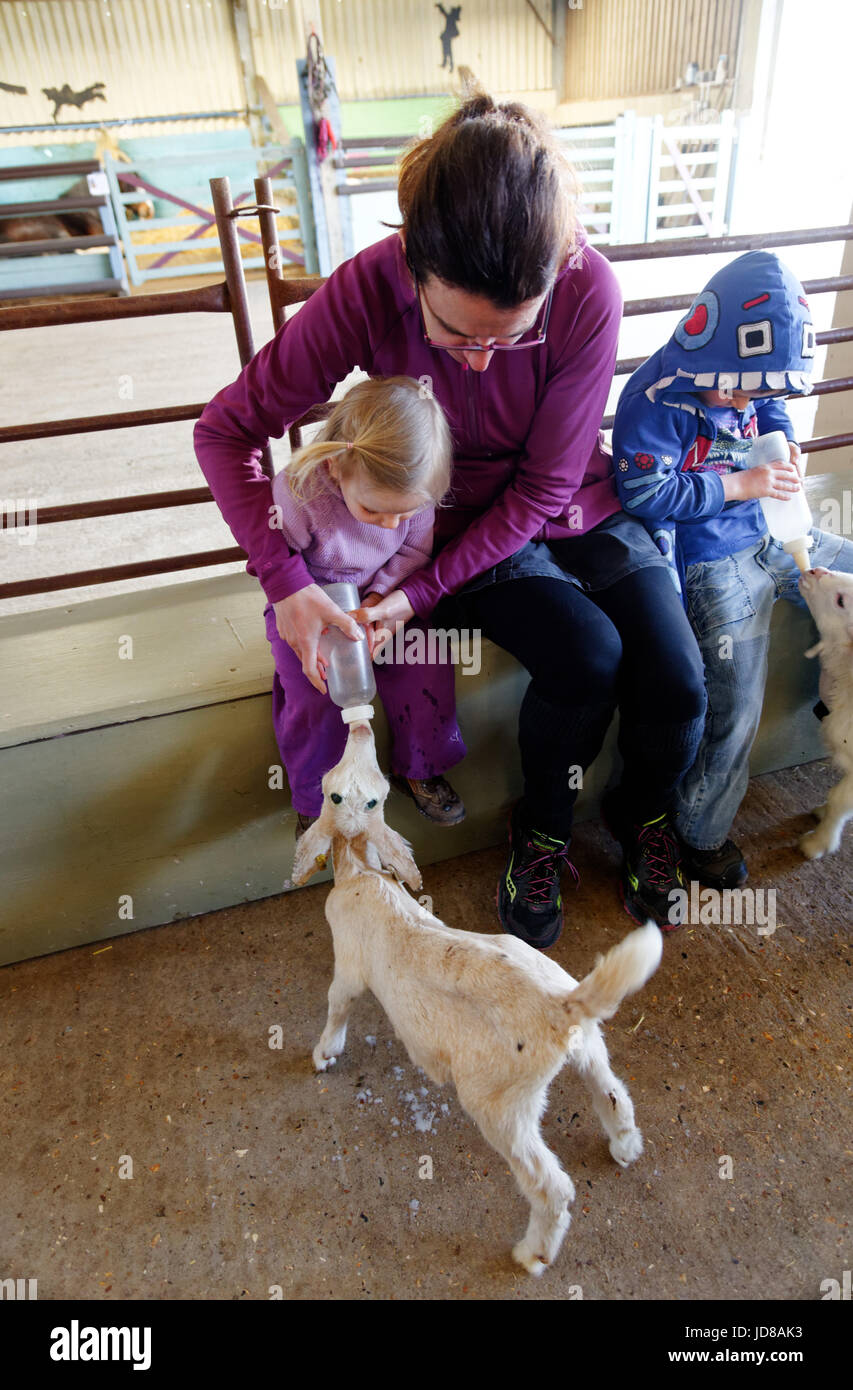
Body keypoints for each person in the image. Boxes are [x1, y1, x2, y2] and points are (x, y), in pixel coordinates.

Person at [194, 94, 707, 947]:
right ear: (412, 266)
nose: (477, 358)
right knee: (587, 657)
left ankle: (641, 810)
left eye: (510, 337)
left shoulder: (589, 290)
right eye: (454, 334)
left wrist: (418, 597)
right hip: (453, 529)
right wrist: (286, 580)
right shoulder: (369, 284)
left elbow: (546, 488)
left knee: (678, 676)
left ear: (555, 278)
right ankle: (540, 830)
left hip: (570, 500)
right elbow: (226, 429)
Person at [611, 250, 853, 891]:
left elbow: (769, 409)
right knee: (736, 705)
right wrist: (741, 484)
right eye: (739, 387)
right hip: (711, 562)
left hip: (779, 532)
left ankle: (839, 699)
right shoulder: (654, 397)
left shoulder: (754, 387)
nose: (745, 399)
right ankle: (699, 832)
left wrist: (785, 440)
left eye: (760, 388)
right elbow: (645, 495)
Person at [265, 374, 465, 833]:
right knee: (312, 691)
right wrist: (314, 624)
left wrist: (381, 599)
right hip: (309, 601)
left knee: (428, 661)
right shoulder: (298, 495)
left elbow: (414, 553)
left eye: (406, 513)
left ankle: (421, 766)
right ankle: (316, 798)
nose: (392, 522)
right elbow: (278, 565)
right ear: (336, 466)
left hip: (381, 598)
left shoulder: (413, 495)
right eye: (375, 511)